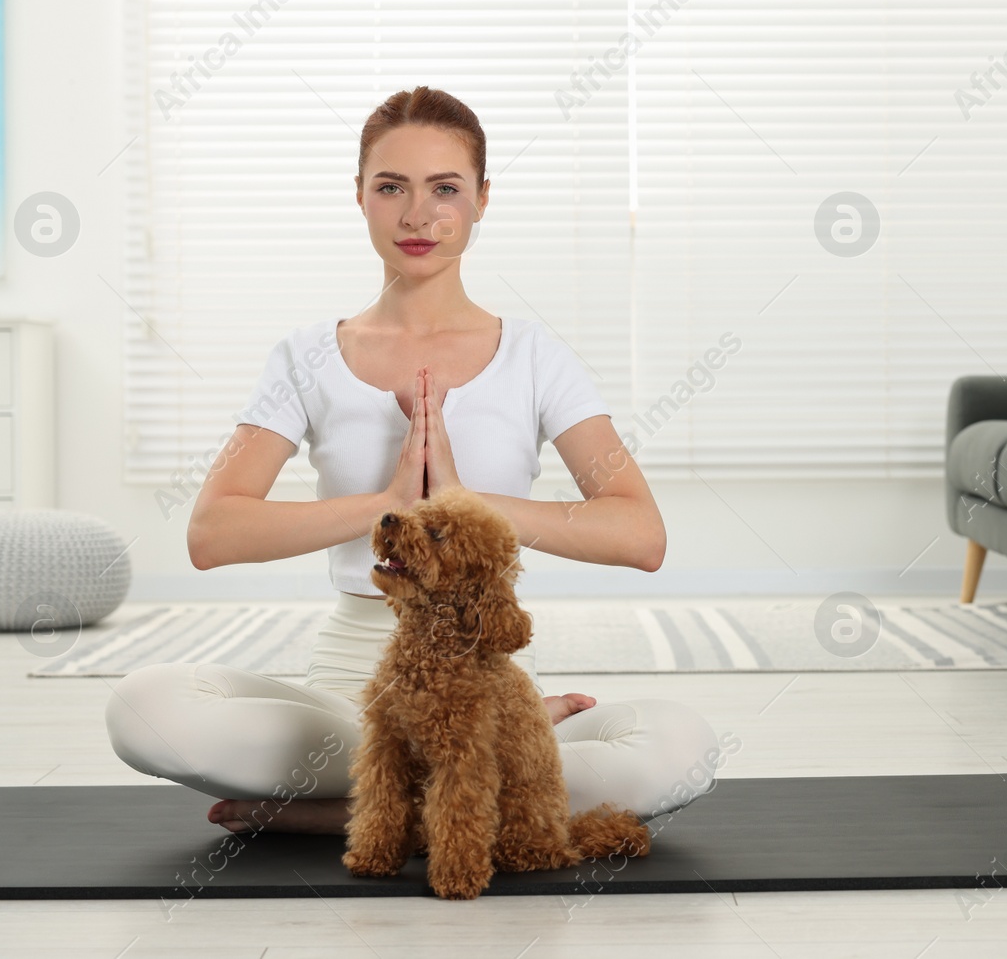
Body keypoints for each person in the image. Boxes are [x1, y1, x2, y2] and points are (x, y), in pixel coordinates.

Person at [104, 86, 722, 834]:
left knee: (680, 748)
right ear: (359, 197)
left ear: (482, 200)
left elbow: (639, 535)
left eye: (446, 189)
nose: (418, 215)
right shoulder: (306, 356)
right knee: (143, 709)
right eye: (391, 187)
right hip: (349, 698)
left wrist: (463, 504)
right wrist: (389, 506)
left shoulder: (534, 357)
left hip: (488, 690)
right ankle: (449, 792)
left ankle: (355, 813)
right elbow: (213, 532)